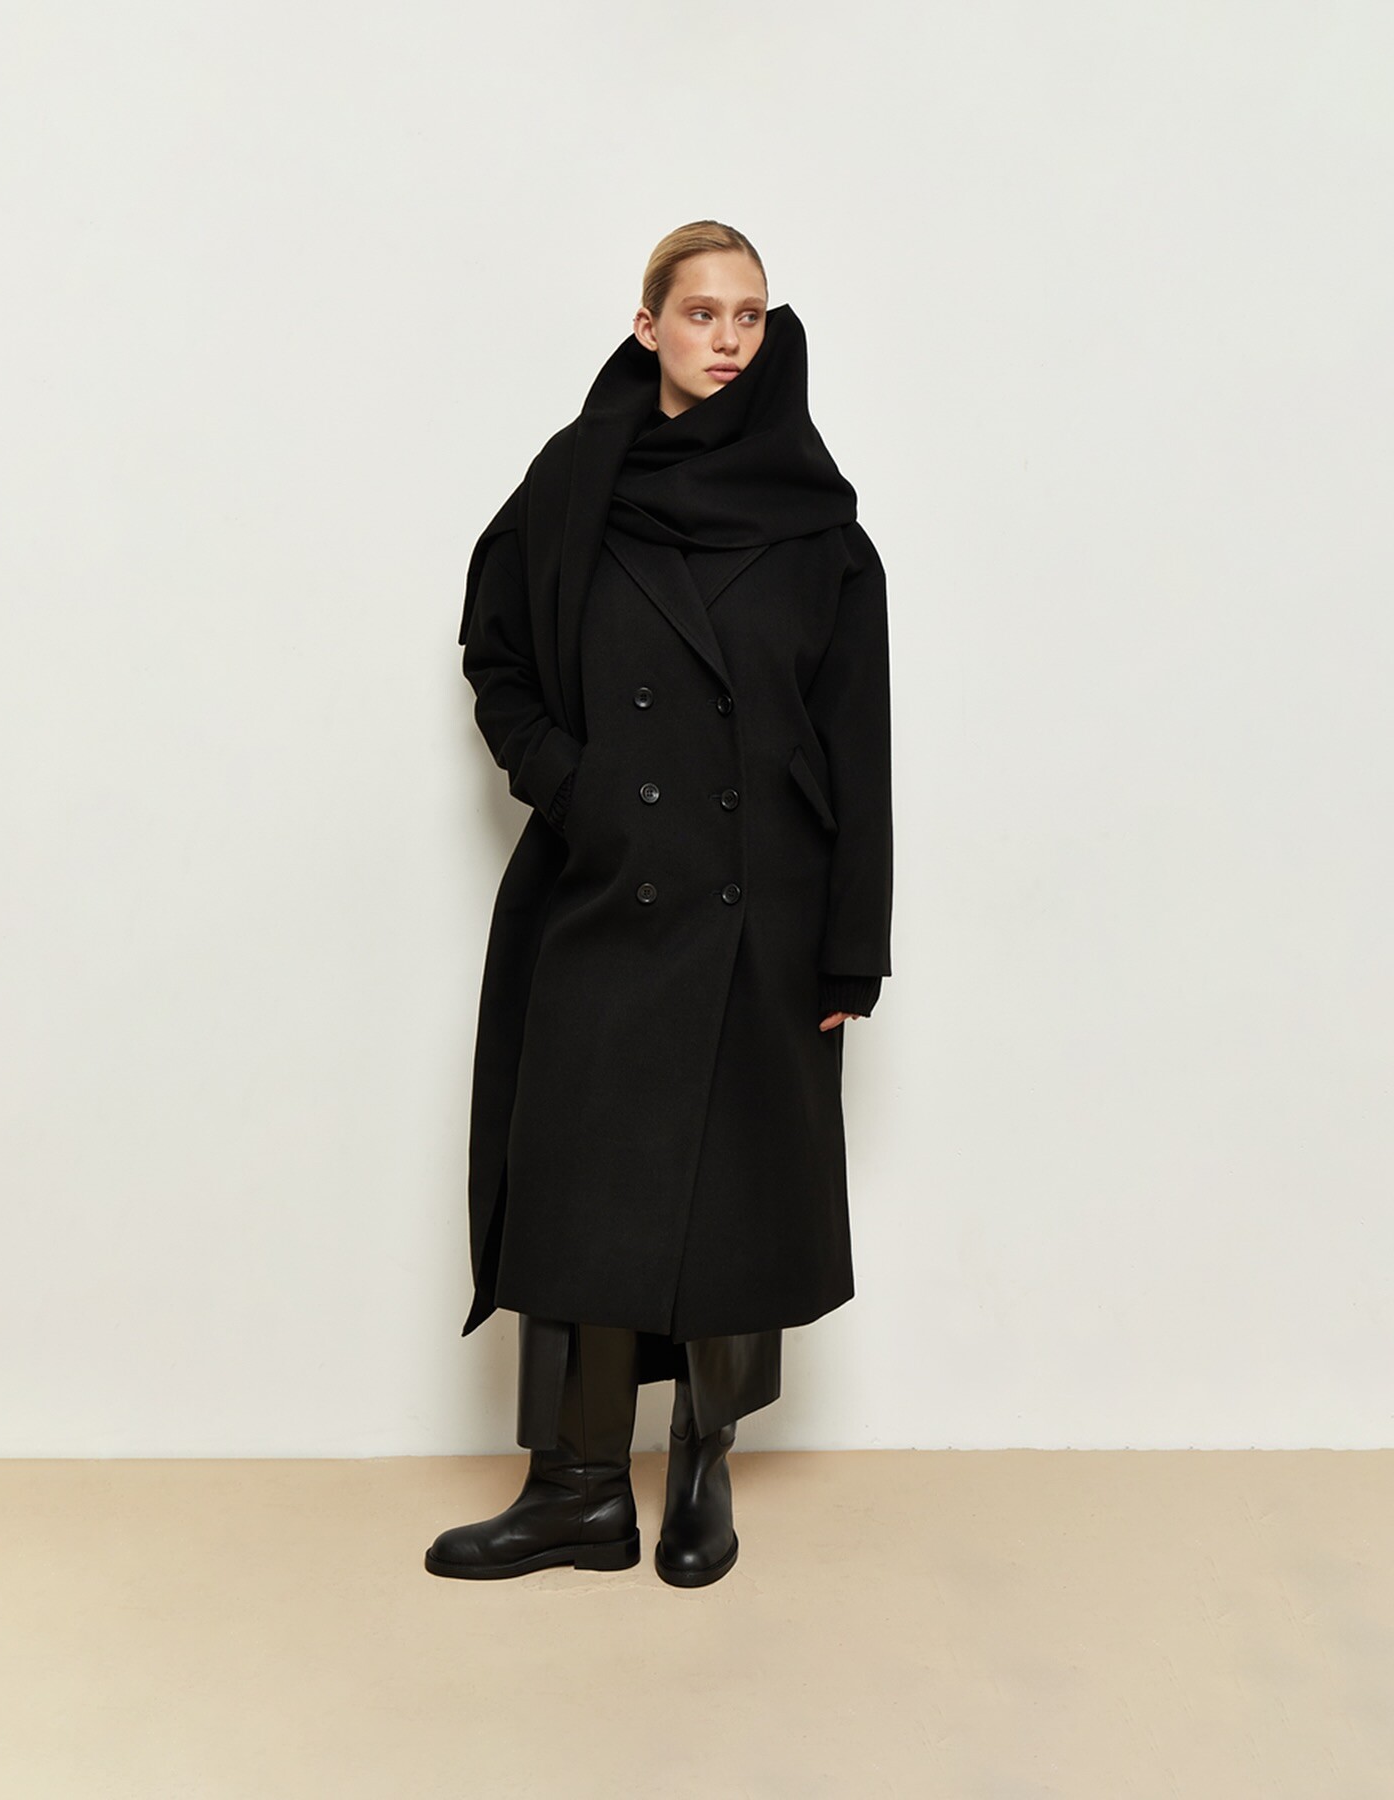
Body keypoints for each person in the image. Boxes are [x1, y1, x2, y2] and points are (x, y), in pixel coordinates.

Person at [425, 221, 893, 1587]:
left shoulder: (820, 523)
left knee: (735, 1193)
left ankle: (701, 1465)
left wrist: (851, 951)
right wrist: (570, 786)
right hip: (603, 889)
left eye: (750, 316)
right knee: (577, 1180)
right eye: (701, 313)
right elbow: (496, 654)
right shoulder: (573, 484)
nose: (728, 339)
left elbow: (857, 745)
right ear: (649, 328)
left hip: (765, 909)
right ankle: (576, 1488)